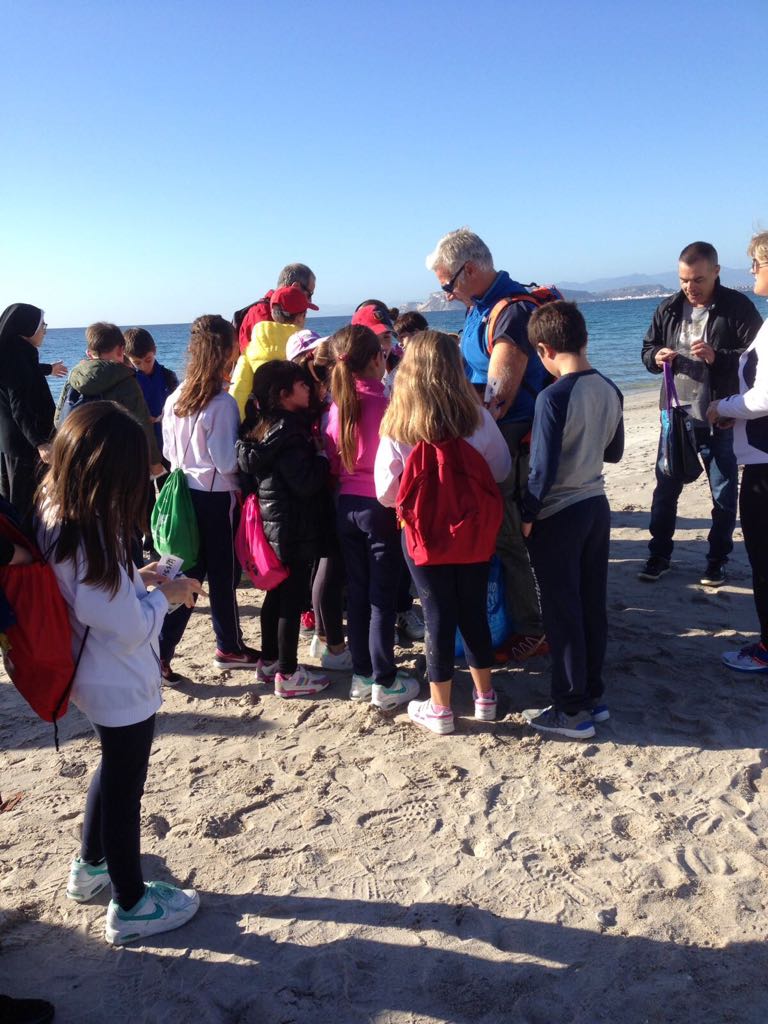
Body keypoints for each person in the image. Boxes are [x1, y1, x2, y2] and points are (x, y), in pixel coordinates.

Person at [36, 401, 202, 945]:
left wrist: (140, 575)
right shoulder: (89, 533)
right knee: (126, 788)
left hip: (95, 672)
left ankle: (91, 866)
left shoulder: (57, 505)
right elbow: (126, 626)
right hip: (118, 678)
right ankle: (130, 903)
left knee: (114, 769)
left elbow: (101, 591)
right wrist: (168, 596)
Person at [376, 330, 511, 734]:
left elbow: (385, 492)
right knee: (473, 611)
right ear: (456, 369)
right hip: (472, 530)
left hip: (423, 535)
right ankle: (485, 697)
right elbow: (501, 470)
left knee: (436, 615)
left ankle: (441, 708)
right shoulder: (477, 419)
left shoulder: (398, 425)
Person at [425, 228, 548, 661]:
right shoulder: (481, 307)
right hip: (491, 434)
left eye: (447, 285)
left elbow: (498, 396)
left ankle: (532, 629)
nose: (446, 294)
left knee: (508, 533)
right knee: (500, 534)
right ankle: (519, 618)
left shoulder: (510, 312)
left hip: (508, 438)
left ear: (470, 270)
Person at [518, 301, 624, 740]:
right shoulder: (610, 388)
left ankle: (571, 709)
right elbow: (614, 452)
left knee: (562, 613)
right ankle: (593, 696)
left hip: (559, 512)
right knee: (591, 605)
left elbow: (540, 469)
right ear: (584, 338)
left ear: (544, 349)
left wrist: (527, 514)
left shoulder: (552, 396)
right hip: (596, 505)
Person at [639, 241, 763, 586]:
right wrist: (656, 358)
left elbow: (755, 362)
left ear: (716, 273)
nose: (690, 287)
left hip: (719, 415)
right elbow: (647, 350)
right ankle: (659, 554)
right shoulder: (668, 308)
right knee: (666, 489)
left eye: (698, 280)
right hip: (675, 416)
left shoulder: (737, 307)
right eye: (683, 280)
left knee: (723, 493)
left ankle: (717, 560)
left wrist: (717, 357)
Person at [324, 324, 420, 710]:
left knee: (360, 593)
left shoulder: (336, 406)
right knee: (382, 597)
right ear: (378, 359)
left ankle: (363, 675)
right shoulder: (386, 404)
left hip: (345, 505)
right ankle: (384, 679)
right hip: (379, 507)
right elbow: (406, 458)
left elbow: (332, 460)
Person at [159, 315, 258, 679]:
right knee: (223, 576)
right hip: (216, 496)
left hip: (183, 492)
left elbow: (168, 452)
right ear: (228, 351)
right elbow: (226, 461)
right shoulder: (221, 403)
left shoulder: (175, 397)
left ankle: (161, 650)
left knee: (187, 573)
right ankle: (228, 645)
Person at [237, 360, 331, 696]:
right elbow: (304, 482)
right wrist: (322, 459)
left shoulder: (263, 427)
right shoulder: (290, 432)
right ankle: (288, 674)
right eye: (301, 385)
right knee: (291, 601)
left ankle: (270, 661)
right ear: (283, 394)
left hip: (274, 525)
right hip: (293, 527)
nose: (308, 389)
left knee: (276, 596)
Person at [707, 233, 768, 672]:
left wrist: (722, 407)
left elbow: (764, 397)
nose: (751, 271)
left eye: (757, 264)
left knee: (763, 558)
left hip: (765, 462)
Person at [351, 302, 424, 641]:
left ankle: (403, 610)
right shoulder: (351, 383)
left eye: (388, 337)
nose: (385, 345)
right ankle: (379, 623)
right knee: (373, 566)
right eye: (378, 338)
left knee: (398, 558)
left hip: (395, 480)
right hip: (369, 485)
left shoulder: (400, 366)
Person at [286, 332, 353, 671]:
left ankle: (323, 635)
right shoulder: (313, 406)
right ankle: (331, 644)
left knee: (325, 567)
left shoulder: (313, 402)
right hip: (326, 490)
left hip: (321, 488)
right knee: (329, 565)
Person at [54, 322, 164, 475]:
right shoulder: (125, 379)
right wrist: (154, 462)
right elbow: (142, 423)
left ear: (89, 353)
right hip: (117, 460)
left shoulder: (75, 375)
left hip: (78, 456)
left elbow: (58, 418)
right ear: (121, 350)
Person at [0, 304, 56, 530]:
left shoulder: (14, 352)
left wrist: (49, 369)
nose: (45, 330)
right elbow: (19, 407)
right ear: (26, 328)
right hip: (24, 444)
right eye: (42, 325)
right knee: (23, 506)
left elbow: (29, 372)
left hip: (12, 441)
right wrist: (40, 442)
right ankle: (24, 548)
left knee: (14, 502)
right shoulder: (15, 358)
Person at [231, 285, 319, 419]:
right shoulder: (305, 348)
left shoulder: (250, 349)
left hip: (263, 424)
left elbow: (238, 392)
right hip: (300, 423)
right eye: (304, 314)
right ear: (300, 317)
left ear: (273, 313)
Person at [235, 262, 316, 354]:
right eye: (310, 294)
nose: (310, 300)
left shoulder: (269, 311)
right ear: (296, 287)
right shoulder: (263, 313)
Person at [124, 327, 179, 458]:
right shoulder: (126, 381)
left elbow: (179, 407)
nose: (144, 366)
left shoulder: (168, 376)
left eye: (148, 360)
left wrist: (164, 417)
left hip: (168, 442)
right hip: (139, 445)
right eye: (137, 362)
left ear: (154, 350)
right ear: (127, 357)